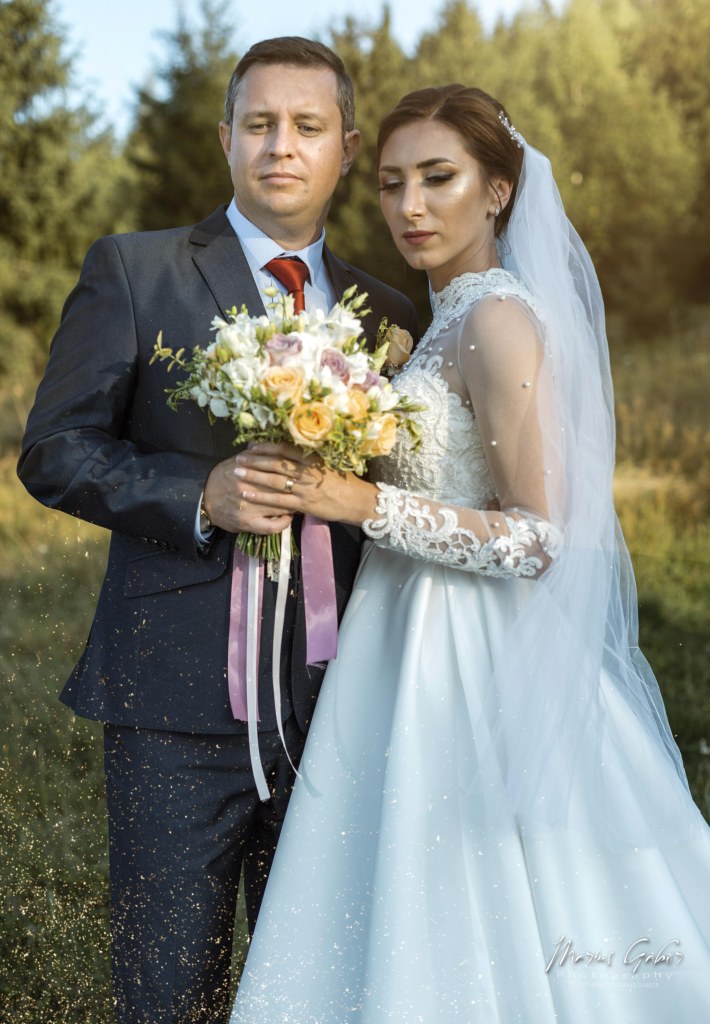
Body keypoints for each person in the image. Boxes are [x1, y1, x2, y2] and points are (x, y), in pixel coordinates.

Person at [228, 85, 710, 1022]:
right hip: (400, 629)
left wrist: (360, 501)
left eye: (438, 178)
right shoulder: (440, 321)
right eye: (392, 183)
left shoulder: (497, 321)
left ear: (497, 191)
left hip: (465, 649)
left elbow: (539, 536)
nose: (410, 206)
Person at [17, 37, 418, 1024]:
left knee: (318, 990)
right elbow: (55, 449)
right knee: (167, 991)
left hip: (339, 706)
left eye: (307, 126)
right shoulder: (136, 270)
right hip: (174, 705)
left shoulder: (390, 313)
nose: (281, 145)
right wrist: (200, 494)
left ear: (346, 149)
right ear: (226, 138)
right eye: (259, 123)